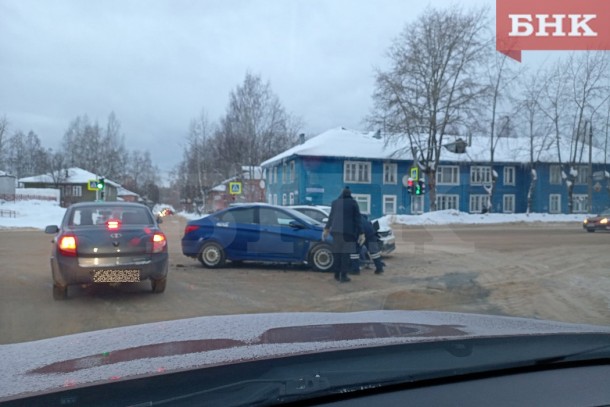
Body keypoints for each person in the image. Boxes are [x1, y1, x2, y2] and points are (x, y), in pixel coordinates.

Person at [323, 187, 365, 283]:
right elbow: (357, 219)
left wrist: (326, 229)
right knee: (345, 255)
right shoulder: (353, 203)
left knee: (337, 254)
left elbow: (331, 217)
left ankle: (336, 274)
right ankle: (344, 276)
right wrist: (361, 233)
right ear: (350, 195)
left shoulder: (335, 203)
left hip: (336, 233)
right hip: (348, 233)